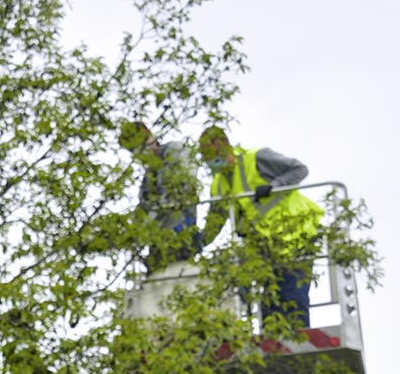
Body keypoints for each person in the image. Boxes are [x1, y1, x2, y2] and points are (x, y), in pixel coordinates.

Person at [198, 125, 323, 333]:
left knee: (293, 296)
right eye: (207, 157)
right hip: (266, 250)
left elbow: (300, 169)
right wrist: (197, 243)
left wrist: (274, 185)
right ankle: (276, 351)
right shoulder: (218, 186)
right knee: (270, 305)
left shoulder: (256, 159)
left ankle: (302, 346)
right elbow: (215, 223)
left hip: (296, 235)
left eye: (215, 154)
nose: (213, 161)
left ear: (225, 145)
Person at [120, 120, 203, 271]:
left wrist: (151, 218)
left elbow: (183, 188)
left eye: (140, 147)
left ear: (149, 136)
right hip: (158, 239)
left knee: (179, 273)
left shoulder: (175, 151)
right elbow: (143, 207)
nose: (139, 154)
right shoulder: (149, 175)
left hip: (182, 229)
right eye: (134, 151)